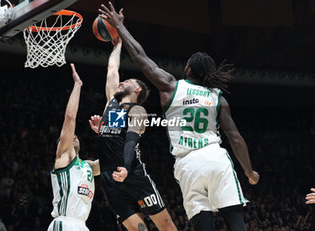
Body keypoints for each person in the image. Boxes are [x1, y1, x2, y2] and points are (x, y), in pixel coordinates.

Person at [98, 3, 260, 231]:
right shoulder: (218, 98)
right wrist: (249, 172)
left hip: (188, 164)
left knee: (203, 225)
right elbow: (235, 138)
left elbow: (140, 56)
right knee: (235, 221)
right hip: (215, 157)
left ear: (189, 69)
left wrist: (120, 27)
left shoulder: (171, 86)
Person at [88, 38, 177, 231]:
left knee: (166, 225)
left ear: (137, 89)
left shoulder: (137, 111)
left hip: (132, 173)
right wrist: (117, 45)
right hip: (109, 177)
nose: (120, 82)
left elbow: (130, 141)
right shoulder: (111, 104)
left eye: (126, 82)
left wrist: (126, 168)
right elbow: (112, 69)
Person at [48, 64, 100, 231]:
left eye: (76, 136)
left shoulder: (88, 166)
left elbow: (110, 161)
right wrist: (77, 86)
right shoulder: (63, 159)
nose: (74, 137)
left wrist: (103, 133)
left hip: (82, 225)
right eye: (71, 137)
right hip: (65, 222)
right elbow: (70, 118)